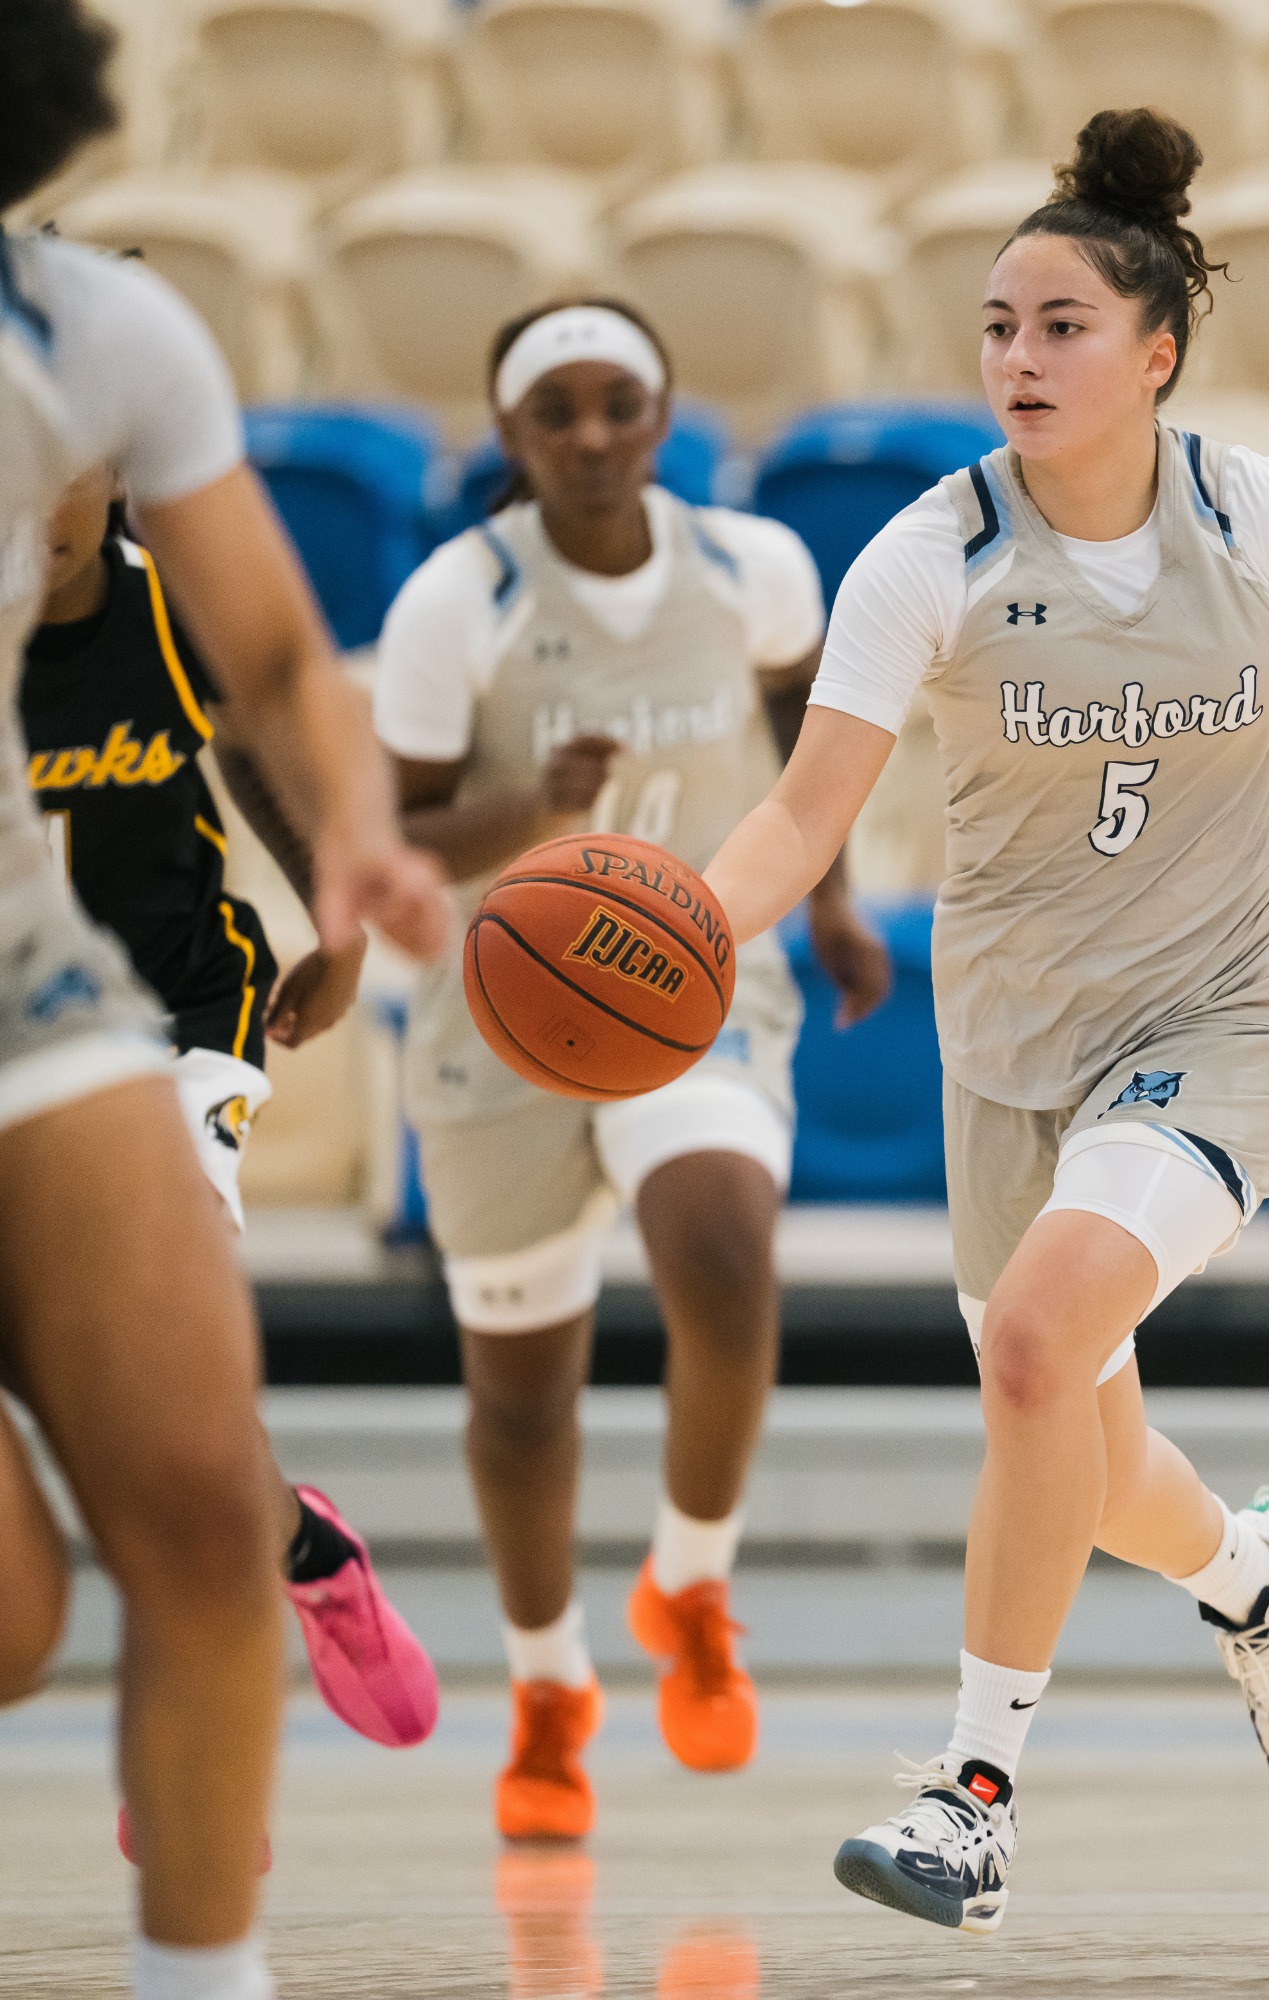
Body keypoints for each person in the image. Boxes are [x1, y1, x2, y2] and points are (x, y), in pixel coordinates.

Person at [700, 108, 1269, 1932]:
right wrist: (682, 924)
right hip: (1011, 1058)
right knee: (1085, 1443)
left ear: (1157, 353)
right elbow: (797, 822)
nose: (1017, 358)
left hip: (1228, 1017)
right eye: (997, 326)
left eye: (1060, 325)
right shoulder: (928, 555)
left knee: (1031, 1352)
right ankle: (1254, 1579)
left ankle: (970, 1798)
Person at [0, 6, 448, 1998]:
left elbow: (275, 659)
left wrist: (347, 834)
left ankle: (209, 1958)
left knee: (186, 1503)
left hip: (78, 996)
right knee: (15, 1619)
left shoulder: (96, 335)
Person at [373, 298, 890, 1838]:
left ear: (665, 417)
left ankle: (691, 1583)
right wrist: (529, 813)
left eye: (621, 404)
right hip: (503, 1020)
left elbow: (809, 739)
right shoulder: (451, 605)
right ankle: (546, 1691)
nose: (592, 434)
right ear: (511, 435)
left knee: (725, 1260)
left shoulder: (758, 569)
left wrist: (844, 908)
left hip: (695, 987)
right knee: (522, 1398)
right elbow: (394, 849)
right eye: (559, 411)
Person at [21, 467, 440, 1840]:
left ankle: (192, 1772)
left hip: (183, 1021)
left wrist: (337, 910)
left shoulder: (173, 605)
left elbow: (258, 742)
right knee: (122, 1415)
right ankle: (306, 1548)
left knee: (163, 1366)